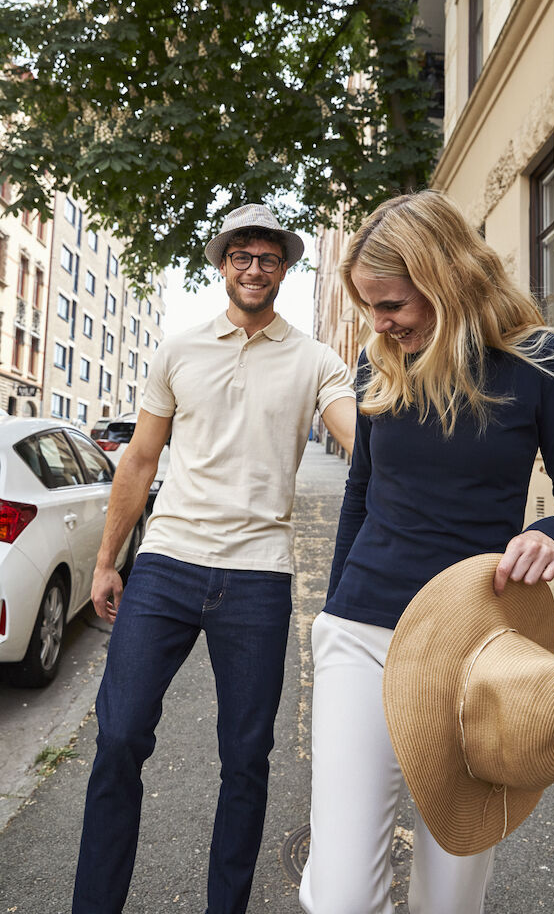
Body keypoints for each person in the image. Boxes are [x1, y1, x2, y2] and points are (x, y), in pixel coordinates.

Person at [299, 190, 554, 914]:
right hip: (362, 632)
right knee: (341, 895)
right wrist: (327, 614)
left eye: (393, 304)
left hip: (477, 649)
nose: (379, 323)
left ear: (444, 279)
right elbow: (359, 495)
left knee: (452, 893)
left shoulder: (538, 361)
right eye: (369, 306)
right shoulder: (379, 366)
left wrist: (548, 535)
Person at [72, 203, 356, 914]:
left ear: (285, 269)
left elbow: (358, 438)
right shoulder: (179, 349)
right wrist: (109, 561)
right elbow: (138, 460)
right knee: (118, 739)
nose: (253, 268)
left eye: (267, 258)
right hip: (167, 562)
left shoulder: (316, 358)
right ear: (221, 263)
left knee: (245, 760)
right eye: (241, 255)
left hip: (259, 575)